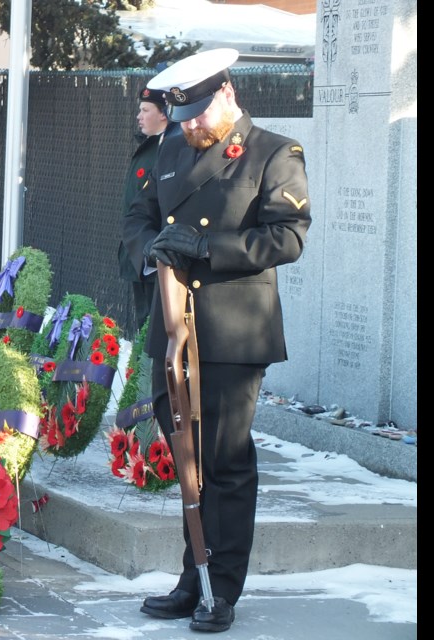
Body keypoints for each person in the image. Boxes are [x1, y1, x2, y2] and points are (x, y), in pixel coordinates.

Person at [122, 49, 312, 633]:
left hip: (232, 332)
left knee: (223, 463)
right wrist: (151, 251)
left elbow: (288, 236)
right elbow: (137, 217)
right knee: (186, 456)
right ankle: (192, 575)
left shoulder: (274, 152)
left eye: (200, 114)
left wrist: (208, 248)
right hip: (174, 324)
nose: (190, 127)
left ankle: (221, 588)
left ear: (226, 94)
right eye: (184, 117)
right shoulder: (172, 148)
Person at [117, 83, 181, 330]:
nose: (138, 116)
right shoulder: (149, 147)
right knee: (144, 326)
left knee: (157, 328)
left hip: (157, 256)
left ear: (164, 113)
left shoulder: (171, 148)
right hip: (138, 254)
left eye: (145, 110)